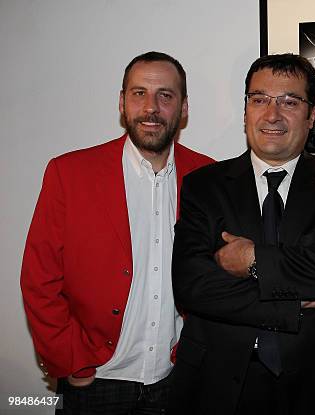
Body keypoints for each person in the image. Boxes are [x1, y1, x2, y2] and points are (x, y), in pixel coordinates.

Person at [169, 53, 315, 415]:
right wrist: (295, 298)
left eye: (290, 102)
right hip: (221, 383)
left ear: (313, 114)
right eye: (260, 99)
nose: (272, 115)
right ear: (246, 109)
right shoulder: (204, 185)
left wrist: (254, 261)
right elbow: (193, 285)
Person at [20, 51, 214, 413]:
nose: (151, 107)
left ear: (183, 107)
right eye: (139, 93)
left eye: (165, 96)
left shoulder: (208, 176)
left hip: (178, 379)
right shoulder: (70, 173)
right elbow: (38, 277)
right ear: (122, 103)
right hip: (96, 381)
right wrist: (69, 358)